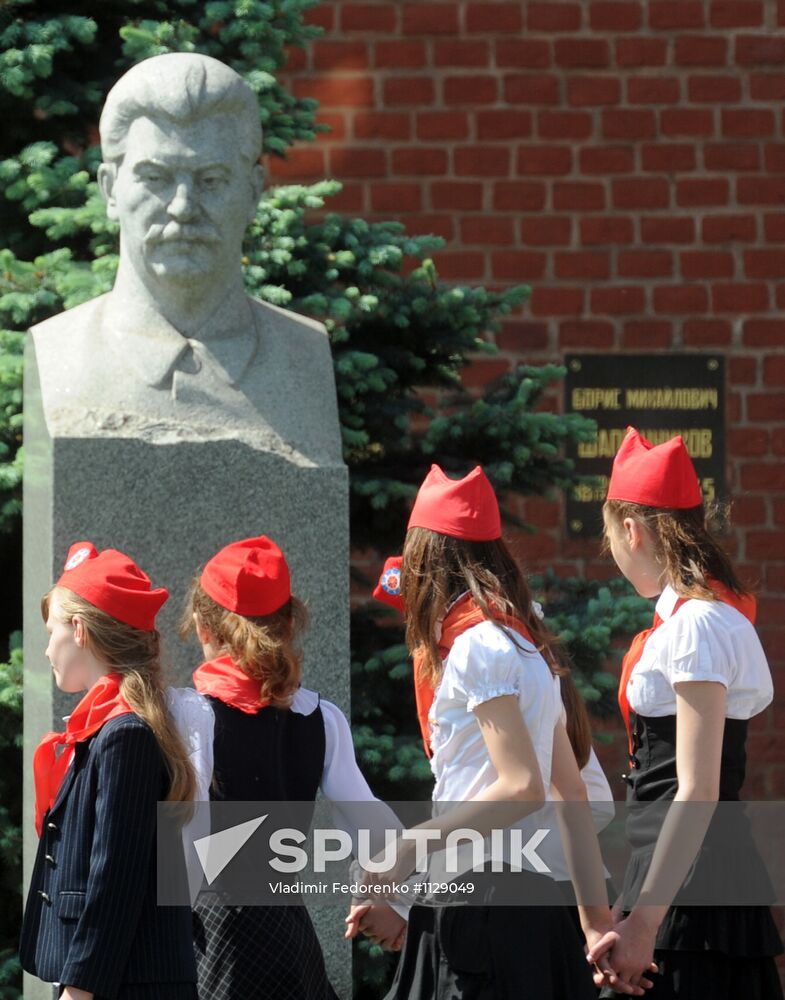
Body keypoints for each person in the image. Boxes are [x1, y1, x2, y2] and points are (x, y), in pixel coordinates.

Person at [353, 464, 652, 999]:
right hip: (516, 909)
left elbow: (523, 787)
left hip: (479, 911)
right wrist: (595, 924)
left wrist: (410, 847)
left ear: (427, 561)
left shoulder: (478, 646)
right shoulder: (523, 647)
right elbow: (571, 793)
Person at [29, 52, 341, 464]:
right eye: (155, 178)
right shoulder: (60, 356)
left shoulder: (304, 357)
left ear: (252, 192)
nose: (182, 207)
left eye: (211, 180)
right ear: (110, 190)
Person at [587, 427, 784, 998]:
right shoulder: (705, 618)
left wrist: (644, 921)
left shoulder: (697, 625)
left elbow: (697, 790)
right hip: (683, 885)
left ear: (633, 530)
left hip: (692, 899)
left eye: (613, 539)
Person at [180, 535, 406, 999]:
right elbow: (373, 826)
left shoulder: (188, 715)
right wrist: (397, 901)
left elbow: (184, 849)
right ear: (287, 625)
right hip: (286, 941)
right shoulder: (320, 717)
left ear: (204, 628)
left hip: (209, 945)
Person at [20, 541, 199, 1000]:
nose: (45, 651)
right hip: (113, 975)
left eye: (50, 632)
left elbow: (115, 875)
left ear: (78, 630)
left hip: (125, 981)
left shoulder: (125, 734)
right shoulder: (110, 728)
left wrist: (80, 988)